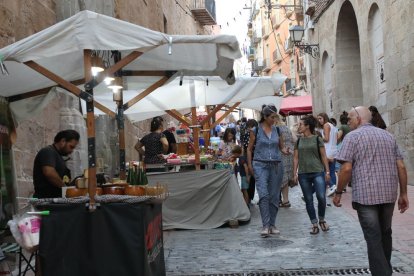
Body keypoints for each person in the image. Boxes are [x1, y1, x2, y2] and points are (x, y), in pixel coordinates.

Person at [333, 106, 409, 276]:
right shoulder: (388, 136)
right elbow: (401, 166)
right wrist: (403, 193)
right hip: (388, 193)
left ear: (359, 118)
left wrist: (338, 192)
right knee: (385, 233)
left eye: (350, 119)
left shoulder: (352, 137)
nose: (348, 122)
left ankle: (382, 274)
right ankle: (385, 270)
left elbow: (346, 169)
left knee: (373, 237)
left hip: (366, 196)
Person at [247, 104, 289, 237]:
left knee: (275, 196)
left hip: (276, 165)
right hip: (260, 165)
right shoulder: (256, 130)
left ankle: (272, 224)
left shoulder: (277, 130)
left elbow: (281, 147)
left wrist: (285, 151)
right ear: (265, 117)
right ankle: (265, 225)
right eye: (272, 117)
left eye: (275, 117)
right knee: (264, 195)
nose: (274, 119)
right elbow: (249, 149)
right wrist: (250, 165)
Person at [293, 116, 331, 234]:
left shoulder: (316, 139)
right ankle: (314, 223)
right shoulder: (298, 141)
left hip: (318, 171)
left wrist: (327, 171)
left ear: (307, 126)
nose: (299, 127)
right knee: (308, 199)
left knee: (321, 196)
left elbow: (324, 156)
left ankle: (322, 219)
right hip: (303, 174)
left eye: (301, 124)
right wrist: (294, 173)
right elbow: (295, 158)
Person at [33, 129, 80, 198]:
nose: (71, 151)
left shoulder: (58, 156)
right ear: (63, 141)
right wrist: (65, 189)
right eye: (71, 147)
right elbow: (49, 172)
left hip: (55, 201)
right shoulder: (48, 151)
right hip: (46, 201)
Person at [275, 115, 294, 208]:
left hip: (281, 153)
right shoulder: (286, 128)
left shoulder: (276, 129)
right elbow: (294, 139)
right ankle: (285, 200)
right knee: (286, 177)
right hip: (290, 152)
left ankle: (279, 200)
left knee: (281, 177)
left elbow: (277, 142)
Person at [317, 112, 338, 196]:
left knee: (324, 171)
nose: (319, 121)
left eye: (320, 118)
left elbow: (326, 139)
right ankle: (332, 189)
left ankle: (331, 186)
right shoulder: (333, 126)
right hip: (334, 150)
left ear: (324, 118)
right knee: (331, 171)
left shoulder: (326, 125)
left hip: (327, 150)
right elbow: (336, 138)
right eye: (318, 119)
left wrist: (318, 138)